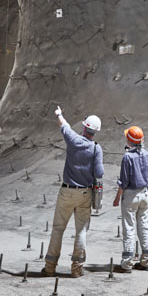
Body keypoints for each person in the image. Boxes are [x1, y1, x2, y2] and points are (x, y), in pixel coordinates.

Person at [43, 105, 103, 277]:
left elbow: (64, 125)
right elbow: (99, 173)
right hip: (85, 193)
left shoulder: (73, 140)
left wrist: (59, 113)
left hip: (67, 191)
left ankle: (50, 267)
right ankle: (77, 268)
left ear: (84, 127)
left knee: (58, 229)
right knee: (81, 231)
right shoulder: (95, 149)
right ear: (95, 132)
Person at [112, 126, 148, 272]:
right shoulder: (147, 153)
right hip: (144, 194)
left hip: (131, 196)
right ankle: (146, 261)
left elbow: (123, 181)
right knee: (144, 227)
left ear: (129, 140)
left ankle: (127, 263)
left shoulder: (127, 157)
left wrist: (117, 198)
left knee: (129, 228)